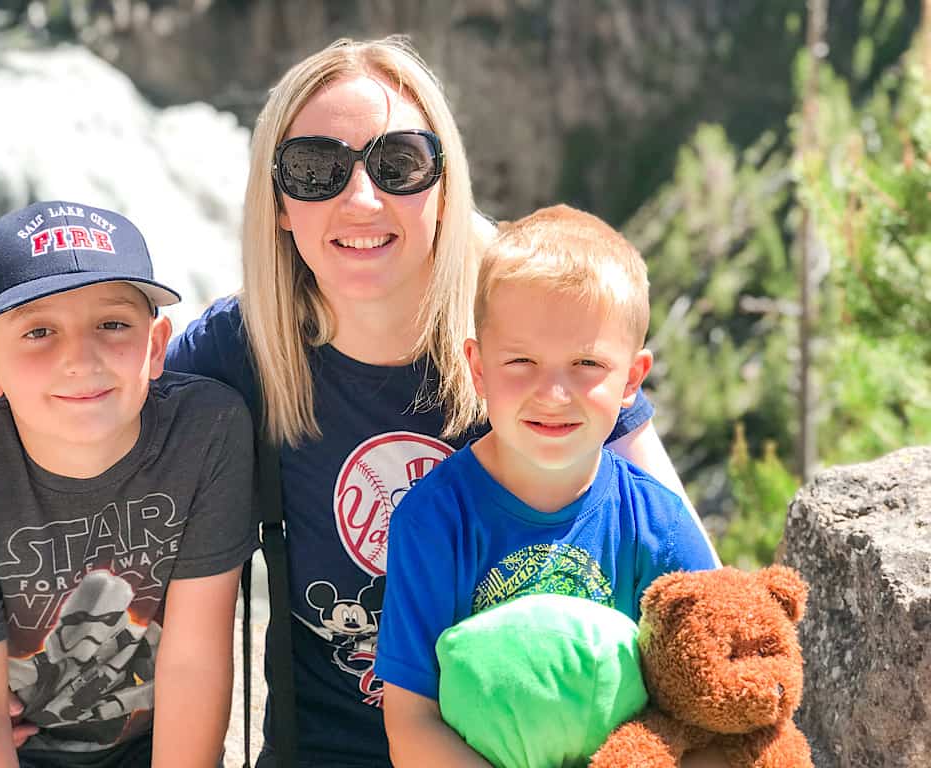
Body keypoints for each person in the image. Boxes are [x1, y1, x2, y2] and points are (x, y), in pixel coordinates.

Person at [165, 36, 716, 768]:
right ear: (277, 207)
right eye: (315, 170)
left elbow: (697, 591)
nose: (360, 198)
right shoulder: (238, 347)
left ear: (445, 184)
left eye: (398, 163)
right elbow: (100, 467)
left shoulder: (526, 310)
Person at [0, 201, 255, 768]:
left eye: (112, 324)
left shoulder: (207, 430)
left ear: (156, 343)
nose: (80, 358)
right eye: (39, 331)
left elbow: (194, 664)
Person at [375, 204, 719, 766]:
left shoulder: (660, 526)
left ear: (632, 379)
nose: (553, 394)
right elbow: (412, 726)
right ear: (478, 368)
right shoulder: (434, 520)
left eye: (586, 363)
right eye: (522, 361)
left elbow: (712, 705)